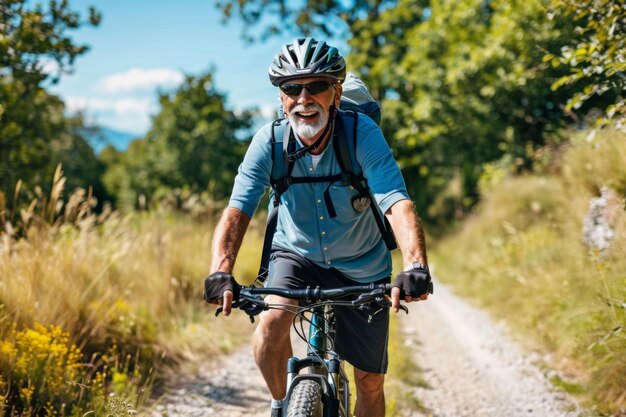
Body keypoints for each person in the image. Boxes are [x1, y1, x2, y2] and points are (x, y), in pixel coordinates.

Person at [204, 37, 431, 417]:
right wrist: (220, 271)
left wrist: (416, 266)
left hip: (362, 264)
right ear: (281, 98)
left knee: (370, 382)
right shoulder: (269, 141)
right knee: (271, 322)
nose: (303, 98)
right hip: (296, 255)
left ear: (336, 92)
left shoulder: (362, 134)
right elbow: (237, 210)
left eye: (317, 86)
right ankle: (281, 403)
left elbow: (396, 201)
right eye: (292, 88)